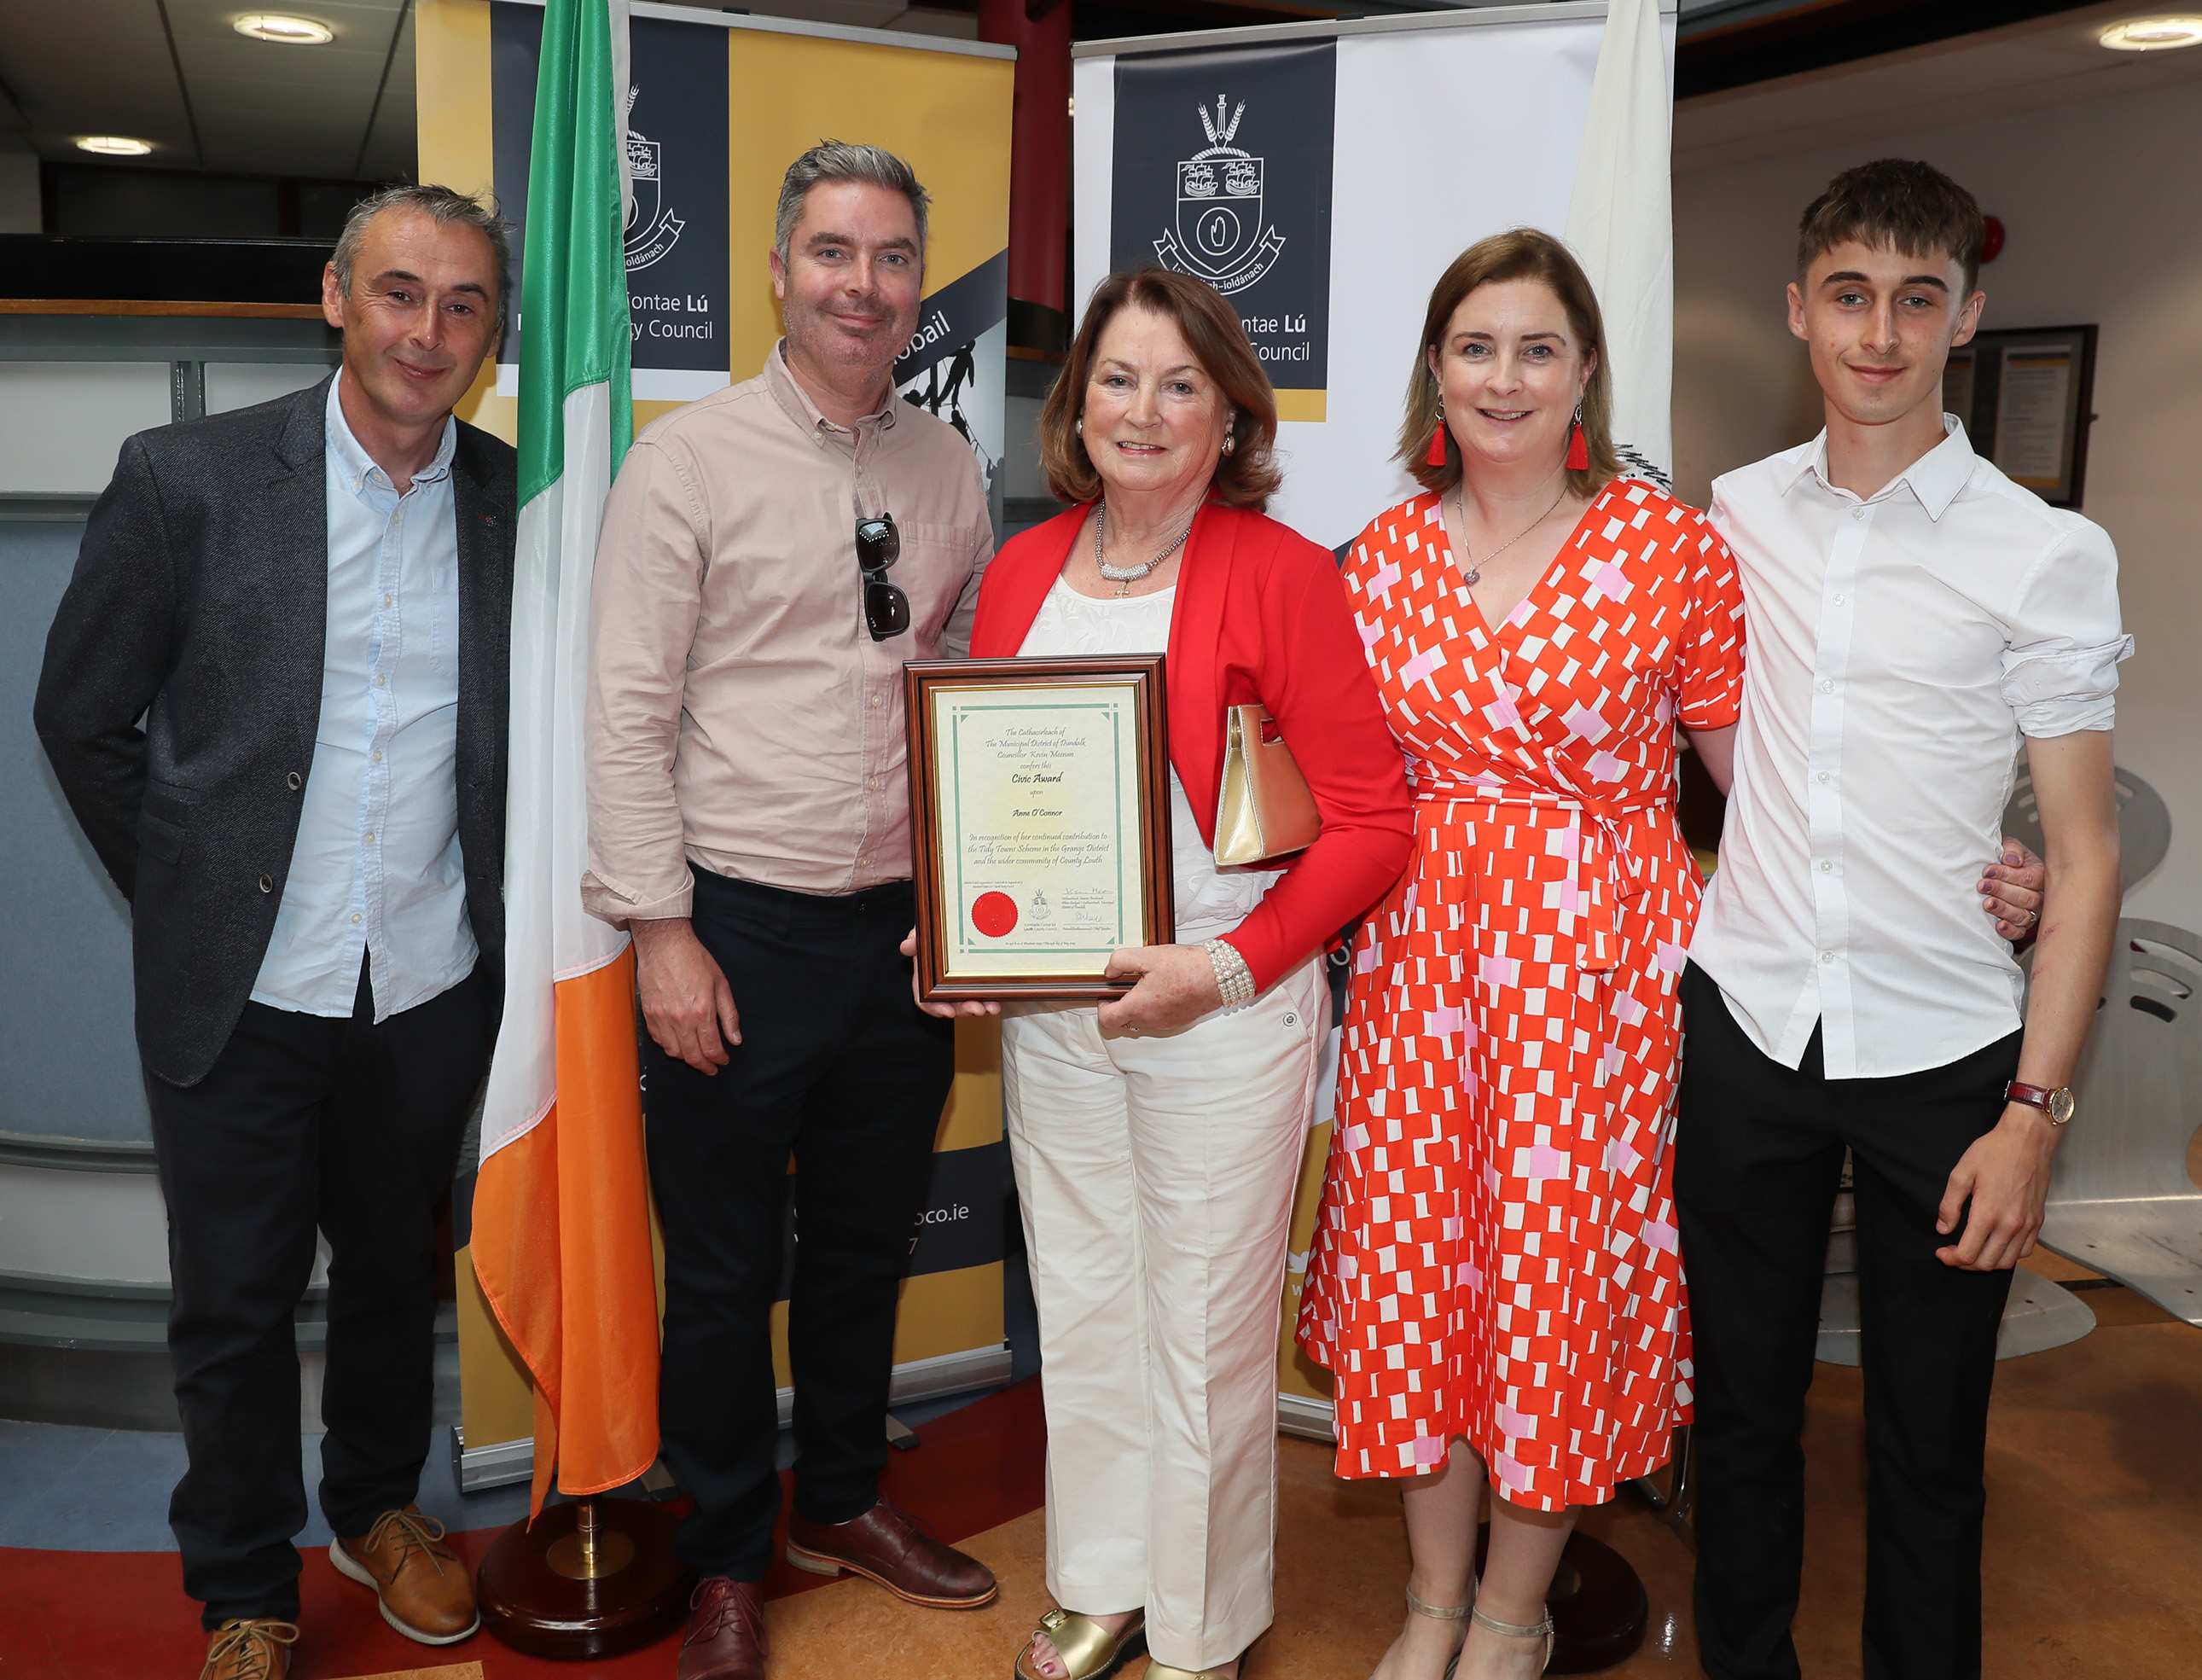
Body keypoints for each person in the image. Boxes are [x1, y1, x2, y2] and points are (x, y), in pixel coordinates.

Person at [33, 185, 515, 1680]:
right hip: (240, 990)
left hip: (427, 981)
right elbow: (80, 715)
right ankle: (245, 1585)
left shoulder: (519, 502)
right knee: (234, 1308)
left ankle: (375, 1507)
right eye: (399, 293)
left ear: (492, 335)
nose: (426, 332)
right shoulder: (187, 478)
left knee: (389, 1275)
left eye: (462, 306)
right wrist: (189, 887)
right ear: (333, 298)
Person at [922, 267, 1413, 1680]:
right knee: (1081, 1304)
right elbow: (987, 791)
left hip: (1221, 1009)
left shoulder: (1283, 574)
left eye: (1180, 384)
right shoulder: (1022, 569)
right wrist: (958, 932)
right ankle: (1101, 1580)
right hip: (1055, 1016)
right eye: (1118, 379)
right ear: (1077, 403)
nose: (1143, 411)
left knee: (1202, 1329)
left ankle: (1202, 1622)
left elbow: (1372, 824)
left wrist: (1224, 967)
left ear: (1229, 415)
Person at [1677, 159, 2125, 1680]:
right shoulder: (1729, 517)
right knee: (1740, 1417)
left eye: (1915, 299)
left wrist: (2033, 1115)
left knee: (1927, 1445)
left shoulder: (2043, 550)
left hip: (1943, 1050)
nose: (1879, 333)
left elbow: (2081, 856)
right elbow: (1699, 740)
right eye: (1850, 296)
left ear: (1965, 317)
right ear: (1796, 311)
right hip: (1747, 1023)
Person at [1292, 229, 1744, 1680]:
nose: (1504, 378)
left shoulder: (1672, 550)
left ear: (1585, 371)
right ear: (1435, 368)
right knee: (1421, 1267)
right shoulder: (1374, 562)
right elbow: (1317, 784)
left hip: (1596, 978)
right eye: (1475, 347)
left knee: (1553, 1277)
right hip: (1419, 965)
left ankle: (1510, 1610)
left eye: (1536, 348)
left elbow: (1757, 791)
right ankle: (1432, 1596)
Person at [582, 142, 998, 1680]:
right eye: (833, 253)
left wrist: (967, 908)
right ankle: (722, 1558)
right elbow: (625, 712)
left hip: (897, 937)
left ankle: (840, 1497)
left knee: (864, 1250)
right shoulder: (685, 463)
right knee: (718, 1273)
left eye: (892, 259)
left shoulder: (948, 467)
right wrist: (660, 930)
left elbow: (960, 692)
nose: (862, 287)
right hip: (732, 931)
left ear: (917, 286)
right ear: (776, 272)